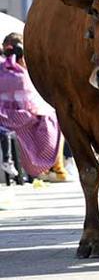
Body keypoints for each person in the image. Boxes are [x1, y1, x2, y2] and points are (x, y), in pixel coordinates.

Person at [0, 33, 67, 181]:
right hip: (20, 121)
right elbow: (31, 107)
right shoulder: (21, 76)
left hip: (6, 118)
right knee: (55, 121)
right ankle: (55, 168)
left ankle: (54, 169)